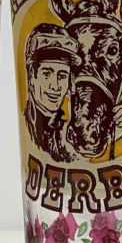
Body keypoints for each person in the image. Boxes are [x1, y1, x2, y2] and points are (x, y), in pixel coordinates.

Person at [23, 23, 81, 162]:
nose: (55, 86)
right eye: (47, 74)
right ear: (31, 76)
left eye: (62, 76)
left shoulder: (69, 131)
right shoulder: (24, 125)